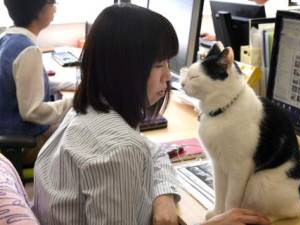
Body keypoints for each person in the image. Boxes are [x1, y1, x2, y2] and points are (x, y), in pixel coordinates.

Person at [32, 3, 270, 225]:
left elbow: (152, 151)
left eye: (168, 63)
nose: (168, 76)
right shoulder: (119, 149)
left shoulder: (91, 111)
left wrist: (163, 196)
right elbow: (133, 150)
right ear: (124, 69)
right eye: (159, 65)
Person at [0, 0, 72, 165]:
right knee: (84, 140)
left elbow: (31, 84)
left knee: (73, 126)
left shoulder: (8, 38)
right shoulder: (28, 50)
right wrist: (75, 101)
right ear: (38, 10)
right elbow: (33, 112)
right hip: (23, 143)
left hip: (11, 130)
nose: (55, 7)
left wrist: (75, 85)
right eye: (52, 3)